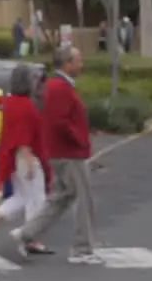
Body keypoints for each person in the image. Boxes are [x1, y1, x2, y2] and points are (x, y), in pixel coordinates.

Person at [11, 44, 102, 264]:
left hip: (63, 152)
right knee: (83, 199)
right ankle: (82, 249)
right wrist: (80, 141)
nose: (81, 64)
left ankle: (26, 233)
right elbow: (60, 122)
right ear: (67, 64)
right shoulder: (60, 88)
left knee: (60, 198)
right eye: (78, 60)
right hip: (69, 154)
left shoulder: (57, 86)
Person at [0, 64, 53, 255]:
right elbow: (23, 136)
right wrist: (29, 159)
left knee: (21, 197)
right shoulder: (25, 106)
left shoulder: (10, 102)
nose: (36, 83)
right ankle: (28, 237)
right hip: (27, 157)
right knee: (38, 199)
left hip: (14, 158)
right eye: (32, 79)